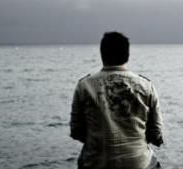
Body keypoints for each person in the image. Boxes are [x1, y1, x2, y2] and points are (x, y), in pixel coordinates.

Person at [70, 31, 164, 169]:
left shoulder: (84, 86)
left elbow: (76, 131)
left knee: (82, 159)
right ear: (128, 55)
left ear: (102, 54)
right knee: (152, 160)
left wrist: (99, 140)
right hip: (137, 164)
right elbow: (156, 134)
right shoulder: (146, 86)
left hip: (96, 164)